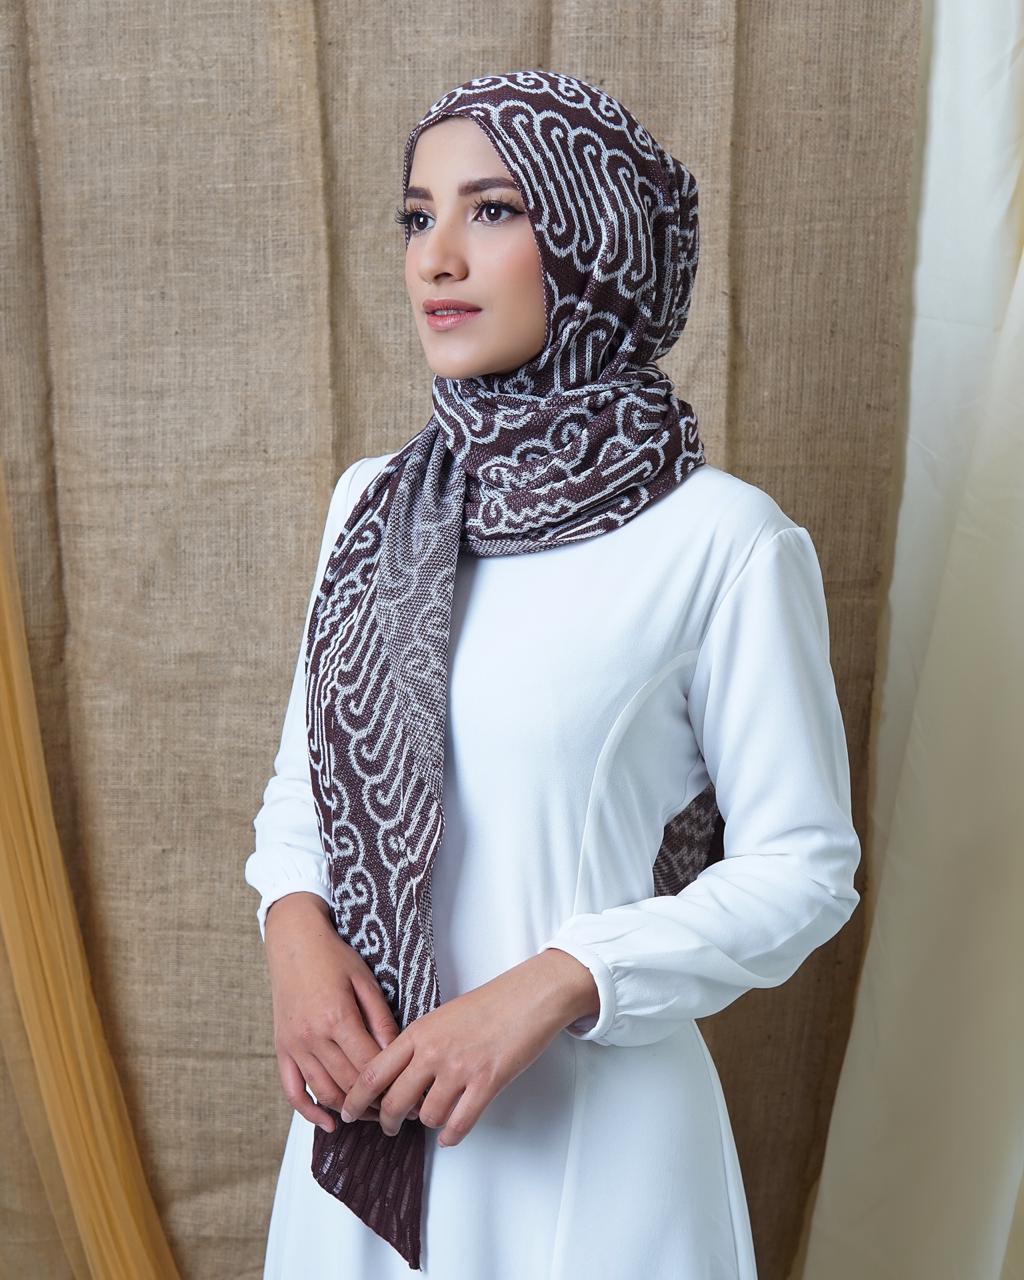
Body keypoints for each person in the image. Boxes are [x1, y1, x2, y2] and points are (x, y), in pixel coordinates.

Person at [244, 69, 862, 1279]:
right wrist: (293, 930)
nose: (436, 258)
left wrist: (559, 980)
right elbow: (303, 787)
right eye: (417, 216)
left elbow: (804, 865)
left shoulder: (722, 539)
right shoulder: (375, 506)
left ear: (593, 239)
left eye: (492, 210)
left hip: (594, 1150)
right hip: (362, 1135)